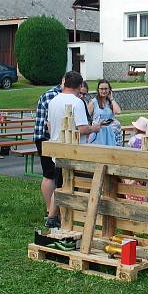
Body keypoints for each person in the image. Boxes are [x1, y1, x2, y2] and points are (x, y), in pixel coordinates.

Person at [44, 71, 100, 228]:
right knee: (69, 185)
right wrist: (94, 128)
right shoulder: (77, 103)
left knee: (61, 184)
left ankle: (56, 217)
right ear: (80, 85)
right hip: (73, 150)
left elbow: (48, 125)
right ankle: (57, 217)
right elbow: (82, 129)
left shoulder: (54, 100)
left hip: (57, 147)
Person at [34, 81, 62, 223]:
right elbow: (50, 122)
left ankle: (52, 210)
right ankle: (50, 211)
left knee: (51, 174)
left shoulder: (58, 94)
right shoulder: (53, 95)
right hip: (45, 137)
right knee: (49, 174)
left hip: (48, 138)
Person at [88, 79, 123, 146]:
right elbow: (87, 118)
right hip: (98, 133)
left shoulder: (110, 102)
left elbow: (118, 111)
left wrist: (111, 99)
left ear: (109, 90)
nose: (104, 91)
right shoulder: (93, 102)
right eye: (101, 89)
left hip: (109, 133)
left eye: (106, 89)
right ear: (98, 90)